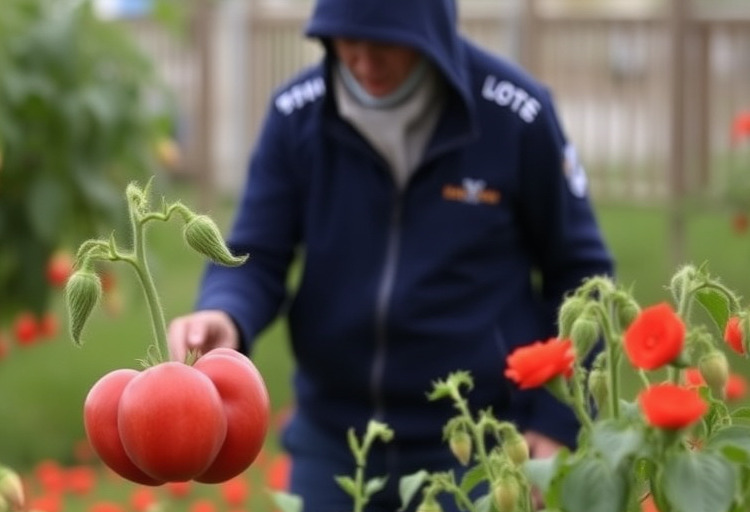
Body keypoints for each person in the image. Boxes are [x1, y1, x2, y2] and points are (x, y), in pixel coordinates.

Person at [167, 0, 614, 510]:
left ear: (432, 35)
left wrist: (556, 423)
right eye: (345, 39)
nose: (362, 60)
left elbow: (581, 274)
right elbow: (256, 253)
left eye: (385, 43)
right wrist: (226, 312)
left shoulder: (516, 115)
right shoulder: (297, 114)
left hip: (475, 440)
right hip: (332, 441)